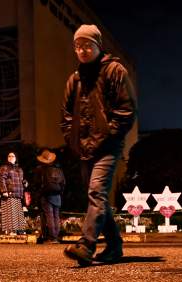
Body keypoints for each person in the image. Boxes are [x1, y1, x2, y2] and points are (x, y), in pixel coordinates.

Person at [61, 24, 137, 266]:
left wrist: (109, 135)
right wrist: (72, 141)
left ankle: (86, 245)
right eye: (78, 46)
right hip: (84, 148)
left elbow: (126, 111)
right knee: (98, 198)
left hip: (108, 146)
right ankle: (114, 247)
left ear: (98, 46)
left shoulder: (115, 71)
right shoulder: (75, 79)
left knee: (96, 192)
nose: (82, 50)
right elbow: (65, 116)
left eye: (87, 45)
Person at [33, 148, 65, 243]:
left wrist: (38, 194)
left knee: (49, 216)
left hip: (46, 195)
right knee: (56, 216)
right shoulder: (58, 169)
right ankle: (56, 236)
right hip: (57, 195)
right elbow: (63, 183)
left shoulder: (40, 169)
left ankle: (52, 237)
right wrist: (60, 192)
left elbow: (36, 183)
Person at [0, 152, 27, 234]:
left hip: (18, 194)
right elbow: (1, 179)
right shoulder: (4, 167)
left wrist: (25, 183)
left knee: (18, 213)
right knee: (11, 213)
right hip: (9, 193)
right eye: (9, 156)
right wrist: (4, 191)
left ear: (16, 158)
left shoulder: (19, 169)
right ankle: (11, 230)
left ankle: (19, 230)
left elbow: (21, 180)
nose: (11, 157)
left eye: (12, 156)